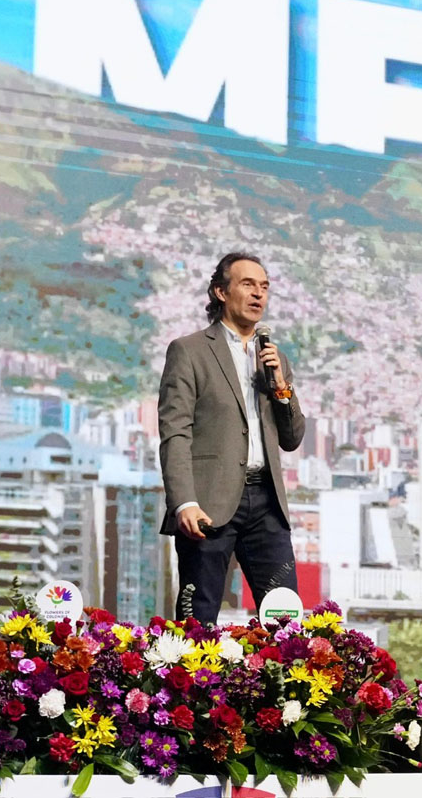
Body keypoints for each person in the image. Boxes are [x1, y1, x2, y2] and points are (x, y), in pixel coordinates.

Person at [158, 251, 305, 624]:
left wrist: (281, 389)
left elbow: (292, 438)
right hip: (209, 502)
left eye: (265, 287)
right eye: (247, 284)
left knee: (286, 619)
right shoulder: (189, 351)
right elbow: (175, 431)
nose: (258, 294)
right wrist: (183, 502)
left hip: (267, 503)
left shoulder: (276, 359)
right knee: (198, 618)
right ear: (221, 292)